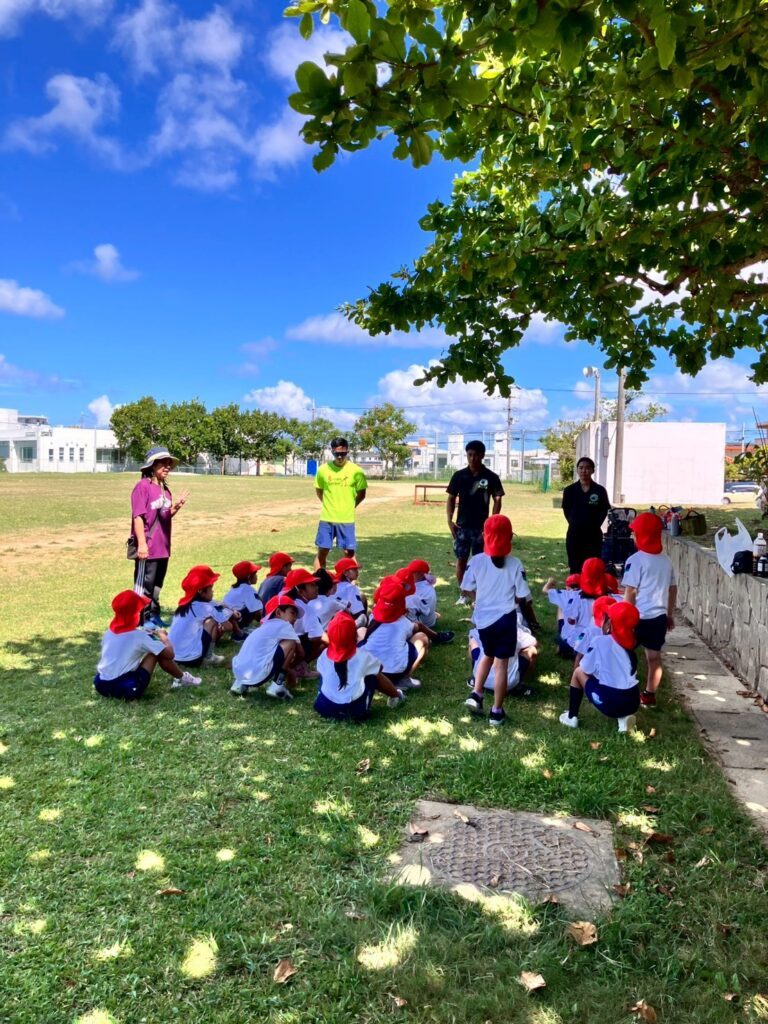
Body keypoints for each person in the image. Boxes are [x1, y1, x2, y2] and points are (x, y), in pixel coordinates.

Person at [461, 514, 531, 726]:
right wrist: (511, 599)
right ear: (510, 537)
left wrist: (478, 599)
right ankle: (496, 711)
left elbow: (466, 588)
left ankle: (476, 694)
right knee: (501, 665)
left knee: (487, 654)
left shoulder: (476, 561)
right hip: (506, 620)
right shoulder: (516, 564)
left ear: (485, 536)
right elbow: (522, 595)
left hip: (483, 620)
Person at [94, 590, 200, 699]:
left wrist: (147, 635)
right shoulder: (140, 636)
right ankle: (183, 678)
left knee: (154, 649)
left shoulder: (109, 632)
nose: (140, 614)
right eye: (139, 612)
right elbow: (170, 654)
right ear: (134, 614)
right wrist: (163, 636)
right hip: (125, 689)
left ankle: (182, 678)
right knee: (156, 652)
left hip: (101, 685)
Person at [621, 511, 677, 708]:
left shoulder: (635, 560)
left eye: (635, 533)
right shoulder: (666, 561)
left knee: (624, 653)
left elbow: (630, 591)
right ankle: (649, 695)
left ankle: (624, 687)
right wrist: (669, 614)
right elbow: (672, 589)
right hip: (658, 618)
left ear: (641, 535)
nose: (633, 536)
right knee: (654, 657)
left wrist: (624, 617)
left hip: (637, 617)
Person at [559, 601, 641, 734]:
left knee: (578, 672)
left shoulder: (599, 641)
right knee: (616, 683)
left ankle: (571, 717)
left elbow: (585, 668)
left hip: (610, 702)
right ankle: (623, 719)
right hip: (633, 700)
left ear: (609, 624)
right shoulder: (631, 645)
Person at [129, 446, 190, 626]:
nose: (167, 467)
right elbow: (138, 517)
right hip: (148, 547)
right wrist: (142, 545)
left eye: (169, 463)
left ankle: (154, 615)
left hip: (163, 547)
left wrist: (176, 506)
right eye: (164, 463)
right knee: (144, 586)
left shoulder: (165, 490)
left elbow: (164, 515)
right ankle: (140, 619)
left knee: (156, 585)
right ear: (153, 465)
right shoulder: (142, 487)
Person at [313, 612, 406, 721]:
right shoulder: (363, 656)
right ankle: (396, 695)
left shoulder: (324, 655)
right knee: (375, 675)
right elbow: (379, 668)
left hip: (324, 707)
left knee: (325, 674)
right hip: (353, 712)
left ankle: (330, 698)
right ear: (355, 635)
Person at [446, 440, 504, 603]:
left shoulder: (491, 477)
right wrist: (450, 520)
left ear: (482, 456)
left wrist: (492, 523)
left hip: (482, 529)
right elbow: (451, 498)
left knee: (481, 563)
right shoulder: (459, 476)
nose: (473, 458)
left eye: (476, 455)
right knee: (461, 561)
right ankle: (464, 593)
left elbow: (497, 499)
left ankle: (480, 594)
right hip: (462, 527)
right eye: (470, 455)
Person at [361, 577, 430, 690]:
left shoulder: (373, 617)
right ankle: (404, 678)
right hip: (394, 672)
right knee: (421, 637)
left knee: (361, 631)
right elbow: (415, 629)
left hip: (370, 669)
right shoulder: (404, 623)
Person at [230, 594, 302, 699]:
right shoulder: (284, 625)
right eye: (292, 613)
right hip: (259, 675)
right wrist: (291, 670)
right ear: (278, 612)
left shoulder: (262, 628)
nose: (295, 618)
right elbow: (301, 652)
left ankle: (239, 684)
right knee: (291, 642)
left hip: (239, 673)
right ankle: (277, 685)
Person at [167, 565, 240, 668]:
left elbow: (217, 604)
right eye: (211, 588)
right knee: (211, 621)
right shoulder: (206, 607)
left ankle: (206, 655)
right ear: (201, 591)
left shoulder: (184, 606)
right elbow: (229, 627)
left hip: (174, 657)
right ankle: (209, 657)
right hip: (191, 659)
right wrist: (223, 621)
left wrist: (227, 609)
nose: (213, 591)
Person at [314, 438, 368, 569]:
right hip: (327, 519)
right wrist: (329, 505)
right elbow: (319, 491)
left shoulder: (357, 471)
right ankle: (320, 580)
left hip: (346, 519)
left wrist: (350, 506)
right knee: (322, 552)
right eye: (336, 453)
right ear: (332, 451)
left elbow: (362, 494)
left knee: (349, 553)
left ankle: (351, 582)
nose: (339, 457)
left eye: (342, 453)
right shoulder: (322, 470)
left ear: (347, 451)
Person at [561, 456, 611, 574]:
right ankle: (575, 585)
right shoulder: (569, 490)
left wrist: (593, 524)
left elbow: (604, 510)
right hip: (574, 535)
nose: (584, 471)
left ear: (593, 470)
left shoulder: (600, 490)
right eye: (581, 468)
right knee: (575, 567)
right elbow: (566, 510)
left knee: (592, 568)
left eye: (587, 468)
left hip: (593, 535)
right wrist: (575, 522)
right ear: (577, 470)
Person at [222, 561, 264, 632]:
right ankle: (242, 629)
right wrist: (265, 623)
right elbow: (257, 612)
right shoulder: (247, 589)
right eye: (255, 574)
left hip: (227, 618)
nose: (257, 576)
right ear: (249, 576)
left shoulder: (235, 588)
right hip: (236, 619)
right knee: (254, 606)